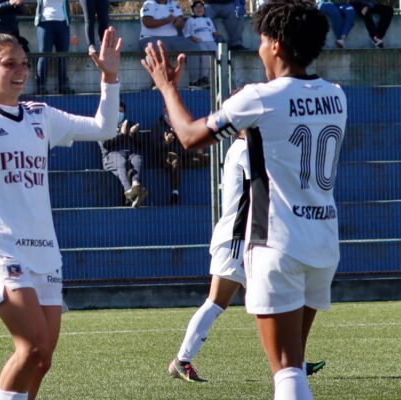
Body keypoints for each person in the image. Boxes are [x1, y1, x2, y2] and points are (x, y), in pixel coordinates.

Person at [141, 0, 346, 398]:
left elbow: (188, 137)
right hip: (323, 239)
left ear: (277, 47)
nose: (259, 48)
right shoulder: (336, 96)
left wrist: (167, 87)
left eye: (263, 39)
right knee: (295, 365)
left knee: (287, 371)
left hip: (277, 243)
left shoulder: (258, 97)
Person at [0, 27, 120, 400]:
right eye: (9, 64)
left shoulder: (40, 115)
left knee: (43, 360)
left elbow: (105, 128)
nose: (21, 71)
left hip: (44, 252)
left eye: (24, 63)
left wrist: (109, 77)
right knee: (32, 348)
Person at [167, 130, 326, 383]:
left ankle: (293, 363)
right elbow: (265, 188)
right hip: (237, 239)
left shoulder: (245, 149)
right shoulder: (243, 150)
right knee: (217, 301)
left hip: (249, 239)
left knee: (274, 301)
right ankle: (182, 360)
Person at [153, 107, 207, 205]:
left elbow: (189, 141)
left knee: (207, 158)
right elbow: (155, 147)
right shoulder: (158, 125)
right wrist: (166, 142)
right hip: (167, 158)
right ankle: (175, 193)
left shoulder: (181, 124)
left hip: (184, 156)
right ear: (165, 111)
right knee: (175, 160)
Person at [100, 102, 148, 207]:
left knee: (137, 159)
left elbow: (142, 144)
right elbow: (105, 145)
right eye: (116, 111)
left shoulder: (130, 123)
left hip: (130, 153)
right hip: (112, 155)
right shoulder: (104, 126)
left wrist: (132, 134)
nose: (119, 113)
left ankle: (136, 184)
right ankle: (130, 193)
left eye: (121, 111)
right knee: (121, 162)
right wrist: (121, 134)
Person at [34, 0, 76, 94]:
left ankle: (63, 86)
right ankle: (41, 87)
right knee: (44, 55)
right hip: (45, 22)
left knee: (63, 55)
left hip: (63, 22)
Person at [183, 1, 221, 88]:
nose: (199, 9)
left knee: (218, 54)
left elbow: (213, 31)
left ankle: (217, 78)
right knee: (205, 56)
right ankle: (202, 78)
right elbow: (187, 34)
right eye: (196, 7)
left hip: (210, 41)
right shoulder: (190, 20)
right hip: (199, 42)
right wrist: (194, 39)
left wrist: (217, 33)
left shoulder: (208, 19)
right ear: (193, 9)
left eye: (201, 7)